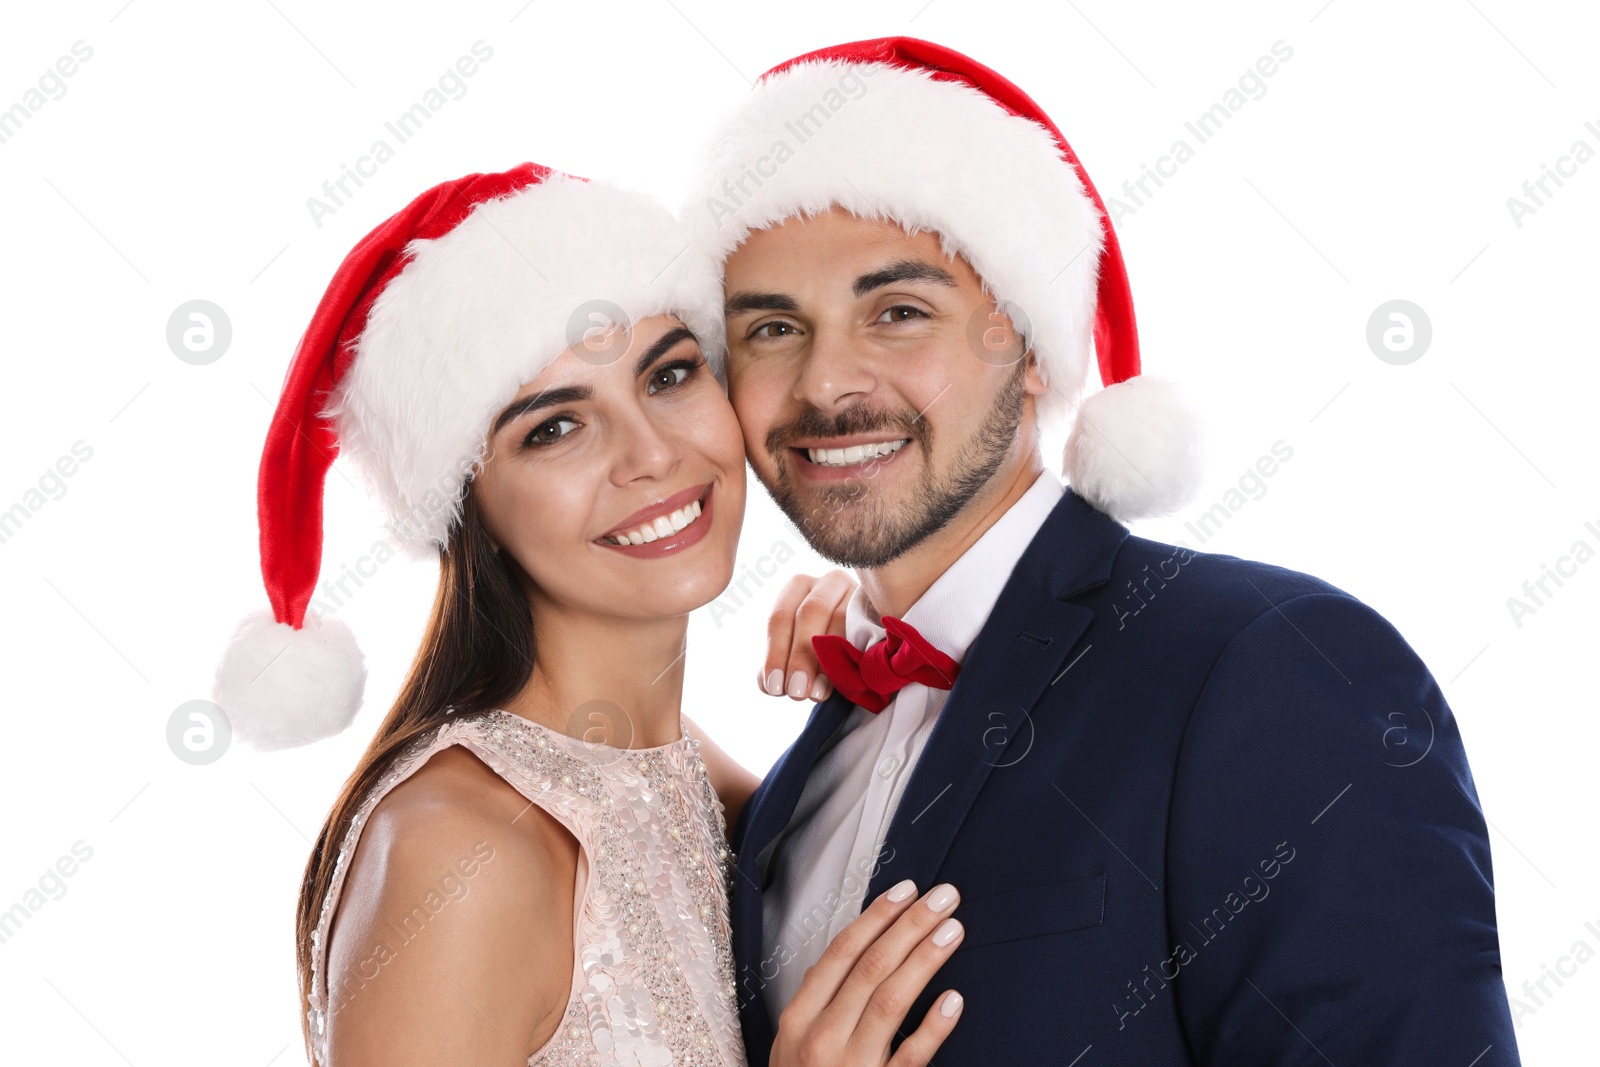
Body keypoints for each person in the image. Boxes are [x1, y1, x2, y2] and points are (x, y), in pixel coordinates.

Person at [684, 37, 1522, 1065]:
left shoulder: (1273, 666)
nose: (824, 384)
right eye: (771, 328)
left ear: (1031, 350)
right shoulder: (799, 772)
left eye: (897, 311)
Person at [212, 164, 967, 1066]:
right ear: (470, 508)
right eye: (554, 428)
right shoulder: (460, 851)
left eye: (672, 374)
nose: (651, 452)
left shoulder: (682, 771)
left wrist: (872, 646)